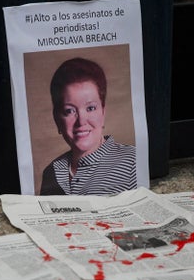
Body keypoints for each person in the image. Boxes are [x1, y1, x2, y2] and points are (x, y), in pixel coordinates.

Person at [39, 57, 137, 195]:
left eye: (90, 108)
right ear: (57, 119)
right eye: (69, 111)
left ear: (103, 112)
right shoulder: (51, 172)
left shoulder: (133, 161)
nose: (81, 121)